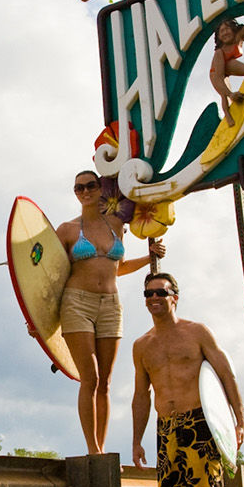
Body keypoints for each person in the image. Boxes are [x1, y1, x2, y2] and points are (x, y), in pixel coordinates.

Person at [130, 272, 244, 487]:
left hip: (199, 422)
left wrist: (238, 419)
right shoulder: (142, 345)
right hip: (166, 427)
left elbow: (225, 373)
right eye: (148, 293)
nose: (153, 298)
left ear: (174, 297)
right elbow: (141, 396)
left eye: (160, 293)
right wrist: (137, 439)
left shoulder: (196, 332)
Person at [55, 171, 161, 456]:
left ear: (101, 188)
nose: (85, 191)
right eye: (79, 187)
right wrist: (38, 321)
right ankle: (92, 449)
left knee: (106, 381)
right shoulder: (66, 230)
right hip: (77, 302)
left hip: (111, 305)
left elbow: (120, 266)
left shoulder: (116, 224)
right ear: (75, 192)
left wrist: (150, 257)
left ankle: (101, 447)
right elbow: (50, 276)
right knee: (88, 377)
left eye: (91, 185)